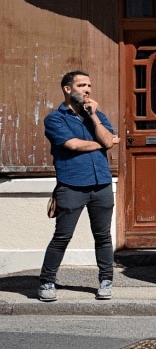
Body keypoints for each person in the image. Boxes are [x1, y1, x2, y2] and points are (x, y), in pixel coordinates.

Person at [38, 71, 121, 302]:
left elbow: (109, 141)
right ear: (67, 89)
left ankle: (106, 281)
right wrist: (103, 143)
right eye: (82, 85)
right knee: (62, 236)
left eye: (89, 85)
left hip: (101, 184)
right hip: (72, 184)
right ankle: (46, 281)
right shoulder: (55, 119)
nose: (88, 90)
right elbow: (72, 145)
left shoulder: (97, 115)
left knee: (103, 236)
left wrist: (93, 117)